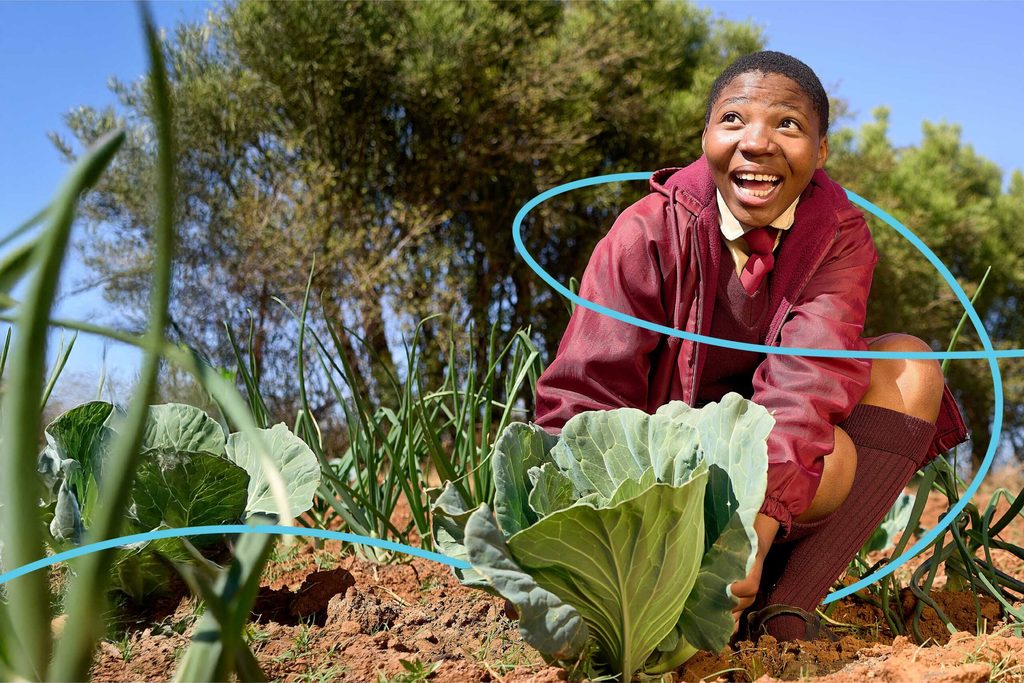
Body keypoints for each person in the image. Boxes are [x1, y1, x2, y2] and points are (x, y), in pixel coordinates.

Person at [533, 50, 969, 641]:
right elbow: (586, 395)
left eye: (787, 124)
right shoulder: (645, 232)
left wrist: (749, 540)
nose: (757, 142)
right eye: (733, 119)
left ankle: (783, 609)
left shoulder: (838, 236)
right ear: (705, 137)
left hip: (771, 485)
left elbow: (809, 380)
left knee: (907, 371)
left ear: (821, 151)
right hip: (661, 491)